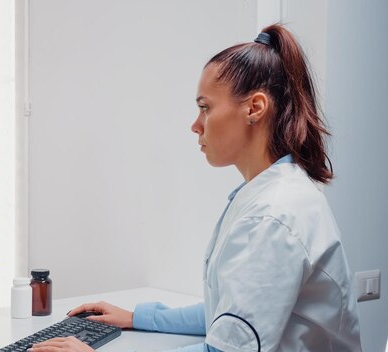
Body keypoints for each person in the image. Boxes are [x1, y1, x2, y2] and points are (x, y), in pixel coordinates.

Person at [28, 23, 362, 352]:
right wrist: (139, 317)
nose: (195, 125)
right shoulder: (271, 195)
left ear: (254, 108)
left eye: (205, 108)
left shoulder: (273, 216)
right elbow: (229, 315)